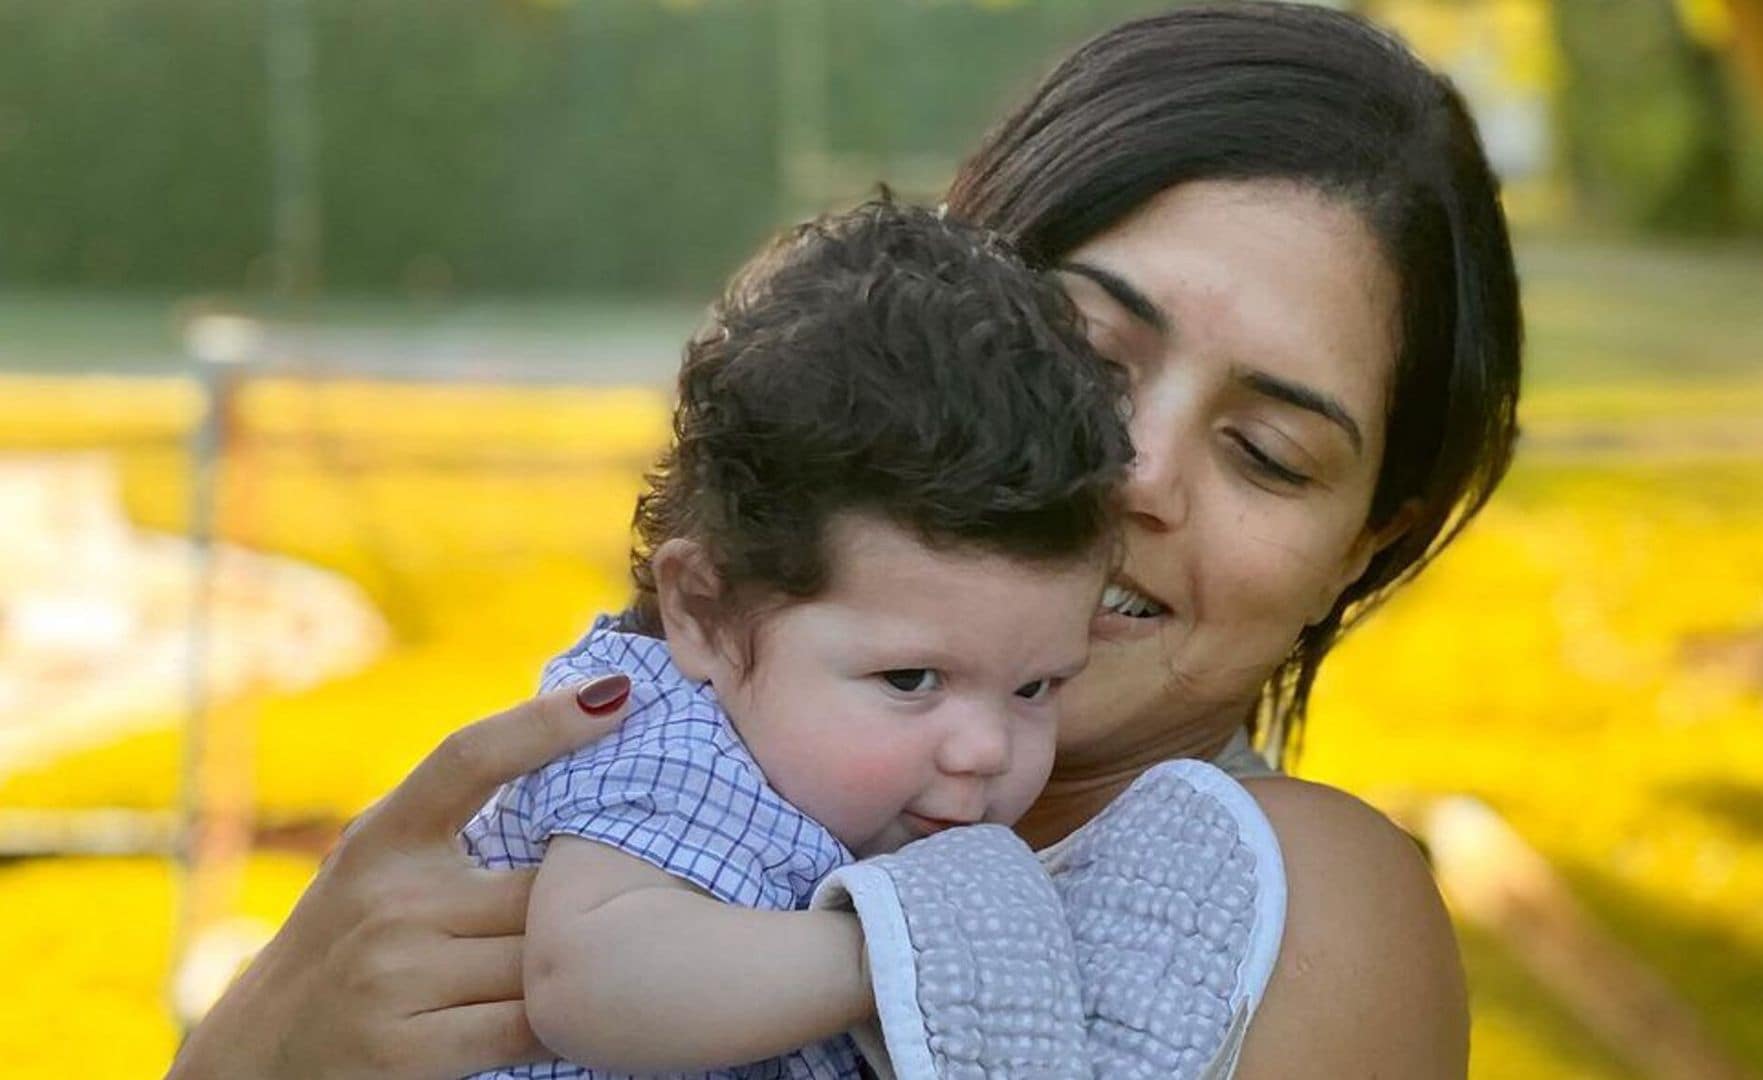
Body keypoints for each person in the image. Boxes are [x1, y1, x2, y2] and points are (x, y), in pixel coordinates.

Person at [168, 3, 1520, 1077]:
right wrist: (253, 1048)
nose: (1137, 472)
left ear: (1365, 544)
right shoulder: (682, 771)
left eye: (1268, 454)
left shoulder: (1289, 912)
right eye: (1088, 353)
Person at [460, 199, 1128, 1078]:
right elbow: (590, 983)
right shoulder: (665, 745)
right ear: (704, 610)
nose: (983, 749)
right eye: (910, 678)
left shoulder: (814, 767)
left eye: (1035, 687)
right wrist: (903, 954)